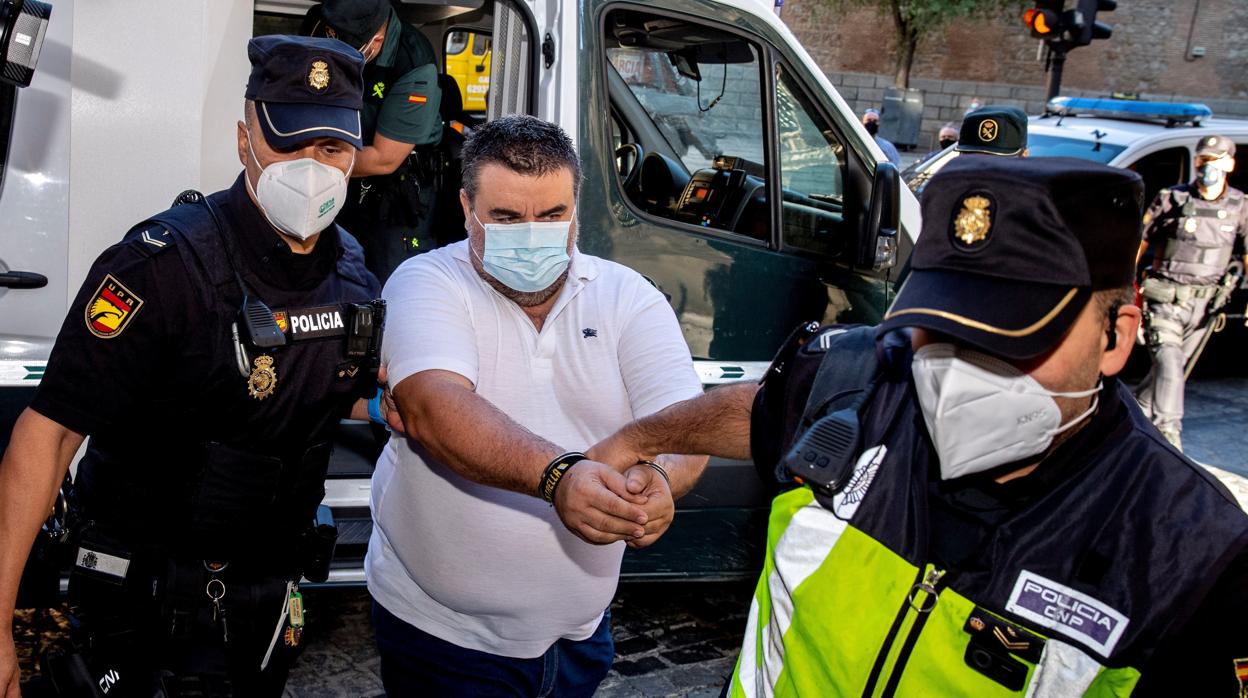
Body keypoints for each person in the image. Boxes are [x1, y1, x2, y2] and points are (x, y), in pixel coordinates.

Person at [591, 156, 1248, 696]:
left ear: (1116, 338)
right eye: (943, 324)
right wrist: (636, 441)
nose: (961, 369)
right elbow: (757, 410)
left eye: (1012, 337)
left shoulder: (1188, 557)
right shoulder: (850, 380)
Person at [0, 36, 390, 697]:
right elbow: (47, 435)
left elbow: (328, 392)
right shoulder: (159, 267)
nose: (311, 167)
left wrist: (386, 401)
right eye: (289, 143)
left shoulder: (350, 272)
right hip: (145, 593)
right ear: (245, 140)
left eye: (331, 149)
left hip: (267, 595)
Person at [368, 115, 707, 696]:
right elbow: (436, 408)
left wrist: (659, 478)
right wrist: (560, 478)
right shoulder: (426, 282)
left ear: (575, 207)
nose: (533, 234)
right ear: (466, 207)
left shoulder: (627, 296)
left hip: (580, 638)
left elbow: (680, 424)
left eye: (552, 215)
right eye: (505, 217)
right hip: (444, 641)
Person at [304, 0, 444, 281]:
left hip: (396, 190)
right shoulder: (321, 22)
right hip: (337, 169)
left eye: (346, 53)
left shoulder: (413, 61)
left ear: (376, 42)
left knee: (390, 279)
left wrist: (307, 160)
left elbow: (384, 158)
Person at [1133, 135, 1247, 449]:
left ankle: (1132, 411)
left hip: (1204, 306)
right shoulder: (1172, 198)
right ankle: (1169, 436)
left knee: (1167, 373)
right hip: (1164, 298)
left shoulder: (1240, 206)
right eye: (1202, 159)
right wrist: (1128, 286)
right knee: (1169, 364)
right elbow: (1139, 242)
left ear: (1229, 164)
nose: (1206, 166)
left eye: (1214, 160)